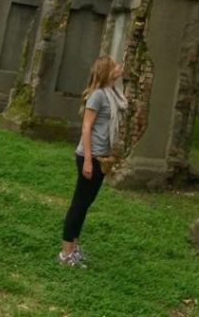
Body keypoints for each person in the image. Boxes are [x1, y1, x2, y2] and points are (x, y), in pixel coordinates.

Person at [58, 54, 127, 267]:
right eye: (115, 65)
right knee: (79, 204)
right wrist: (88, 160)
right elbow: (86, 127)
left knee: (85, 203)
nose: (119, 67)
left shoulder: (113, 94)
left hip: (101, 157)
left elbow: (124, 106)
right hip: (89, 156)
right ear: (107, 71)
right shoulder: (97, 95)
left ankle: (75, 248)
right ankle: (65, 253)